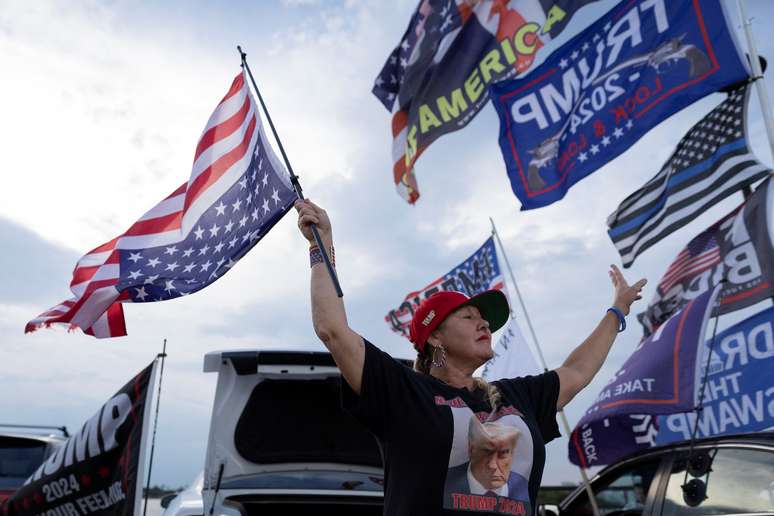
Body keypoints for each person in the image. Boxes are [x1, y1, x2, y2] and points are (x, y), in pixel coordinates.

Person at [294, 199, 646, 516]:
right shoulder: (405, 391)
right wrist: (321, 247)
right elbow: (333, 329)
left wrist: (617, 311)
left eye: (485, 320)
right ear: (434, 337)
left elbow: (576, 370)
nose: (484, 324)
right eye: (468, 317)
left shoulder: (515, 396)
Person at [444, 419, 529, 506]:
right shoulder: (447, 478)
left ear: (512, 454)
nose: (493, 465)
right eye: (486, 452)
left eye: (503, 453)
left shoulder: (523, 485)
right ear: (471, 450)